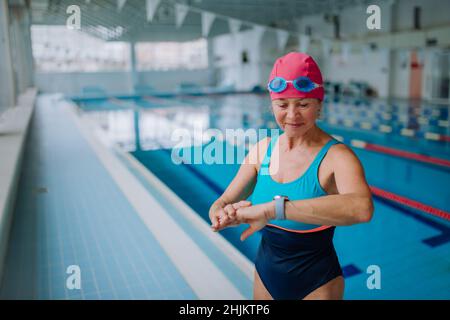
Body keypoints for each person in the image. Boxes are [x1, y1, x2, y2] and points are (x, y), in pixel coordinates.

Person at [208, 52, 374, 300]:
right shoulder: (262, 149)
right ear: (272, 104)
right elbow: (225, 199)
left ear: (319, 105)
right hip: (265, 274)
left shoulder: (337, 157)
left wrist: (273, 210)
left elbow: (362, 208)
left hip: (317, 281)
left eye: (304, 104)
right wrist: (221, 212)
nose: (292, 115)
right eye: (282, 104)